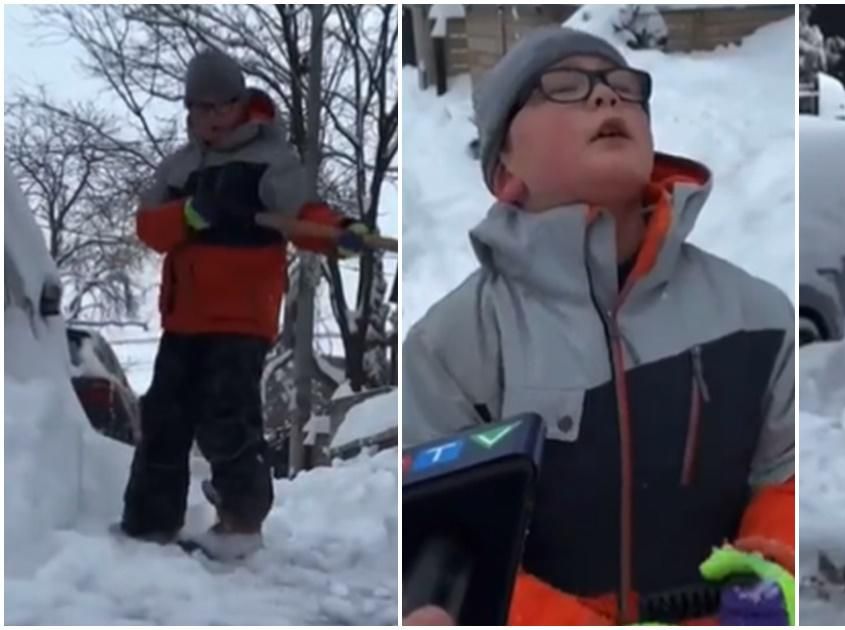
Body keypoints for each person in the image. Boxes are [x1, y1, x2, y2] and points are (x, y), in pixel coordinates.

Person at [403, 28, 795, 625]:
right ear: (504, 165)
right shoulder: (452, 348)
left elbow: (787, 483)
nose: (607, 99)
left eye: (625, 89)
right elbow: (441, 553)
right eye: (563, 87)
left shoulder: (759, 318)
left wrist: (770, 570)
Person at [123, 49, 374, 559]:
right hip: (183, 317)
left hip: (241, 317)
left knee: (227, 413)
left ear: (239, 105)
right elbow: (149, 226)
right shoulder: (181, 166)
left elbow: (304, 215)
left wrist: (340, 234)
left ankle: (240, 523)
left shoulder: (270, 161)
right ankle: (149, 525)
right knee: (164, 417)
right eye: (198, 108)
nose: (209, 119)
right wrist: (191, 215)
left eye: (219, 107)